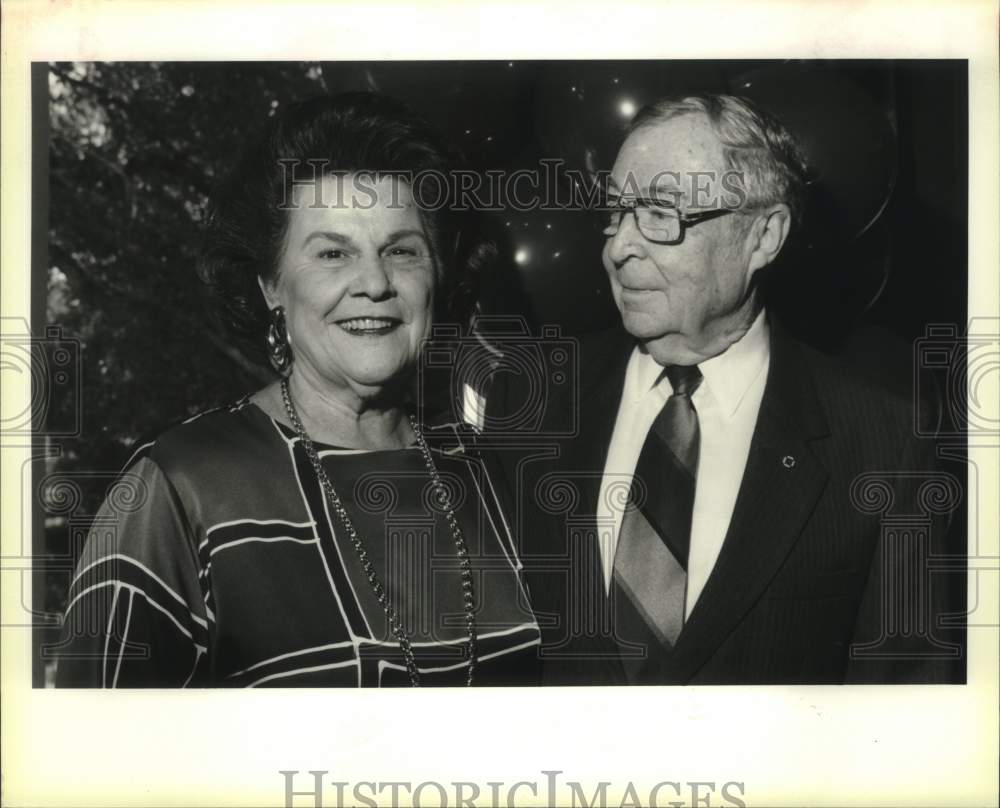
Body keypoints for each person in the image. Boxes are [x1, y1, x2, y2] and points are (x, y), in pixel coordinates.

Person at [56, 92, 540, 687]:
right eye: (333, 253)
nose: (374, 283)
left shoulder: (493, 470)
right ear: (270, 287)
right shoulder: (179, 489)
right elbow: (90, 763)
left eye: (402, 250)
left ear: (437, 275)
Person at [498, 93, 963, 685]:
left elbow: (906, 710)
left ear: (764, 237)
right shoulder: (528, 401)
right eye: (616, 214)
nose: (618, 247)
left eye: (661, 214)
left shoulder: (884, 443)